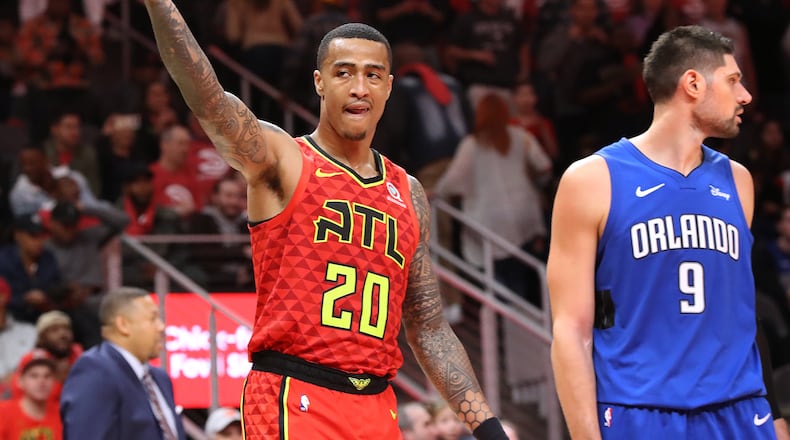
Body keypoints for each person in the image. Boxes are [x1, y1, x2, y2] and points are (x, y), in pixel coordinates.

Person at [143, 1, 508, 438]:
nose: (359, 87)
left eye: (373, 75)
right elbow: (208, 98)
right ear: (319, 82)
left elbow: (428, 326)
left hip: (377, 404)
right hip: (294, 391)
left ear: (389, 87)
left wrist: (486, 425)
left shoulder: (407, 191)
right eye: (344, 73)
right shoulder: (284, 158)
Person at [547, 25, 786, 439]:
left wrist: (777, 419)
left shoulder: (738, 180)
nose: (745, 96)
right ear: (692, 83)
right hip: (641, 412)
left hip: (740, 411)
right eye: (733, 80)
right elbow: (570, 330)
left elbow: (744, 316)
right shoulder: (593, 179)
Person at [60, 287, 186, 440]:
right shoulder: (95, 371)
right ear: (123, 325)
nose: (161, 326)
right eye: (153, 318)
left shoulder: (160, 378)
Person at [0, 349, 62, 440]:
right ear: (20, 381)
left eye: (47, 376)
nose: (41, 381)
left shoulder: (62, 413)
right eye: (34, 376)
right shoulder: (3, 413)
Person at [0, 277, 37, 399]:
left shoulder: (30, 332)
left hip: (25, 399)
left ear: (4, 297)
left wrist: (16, 377)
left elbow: (40, 366)